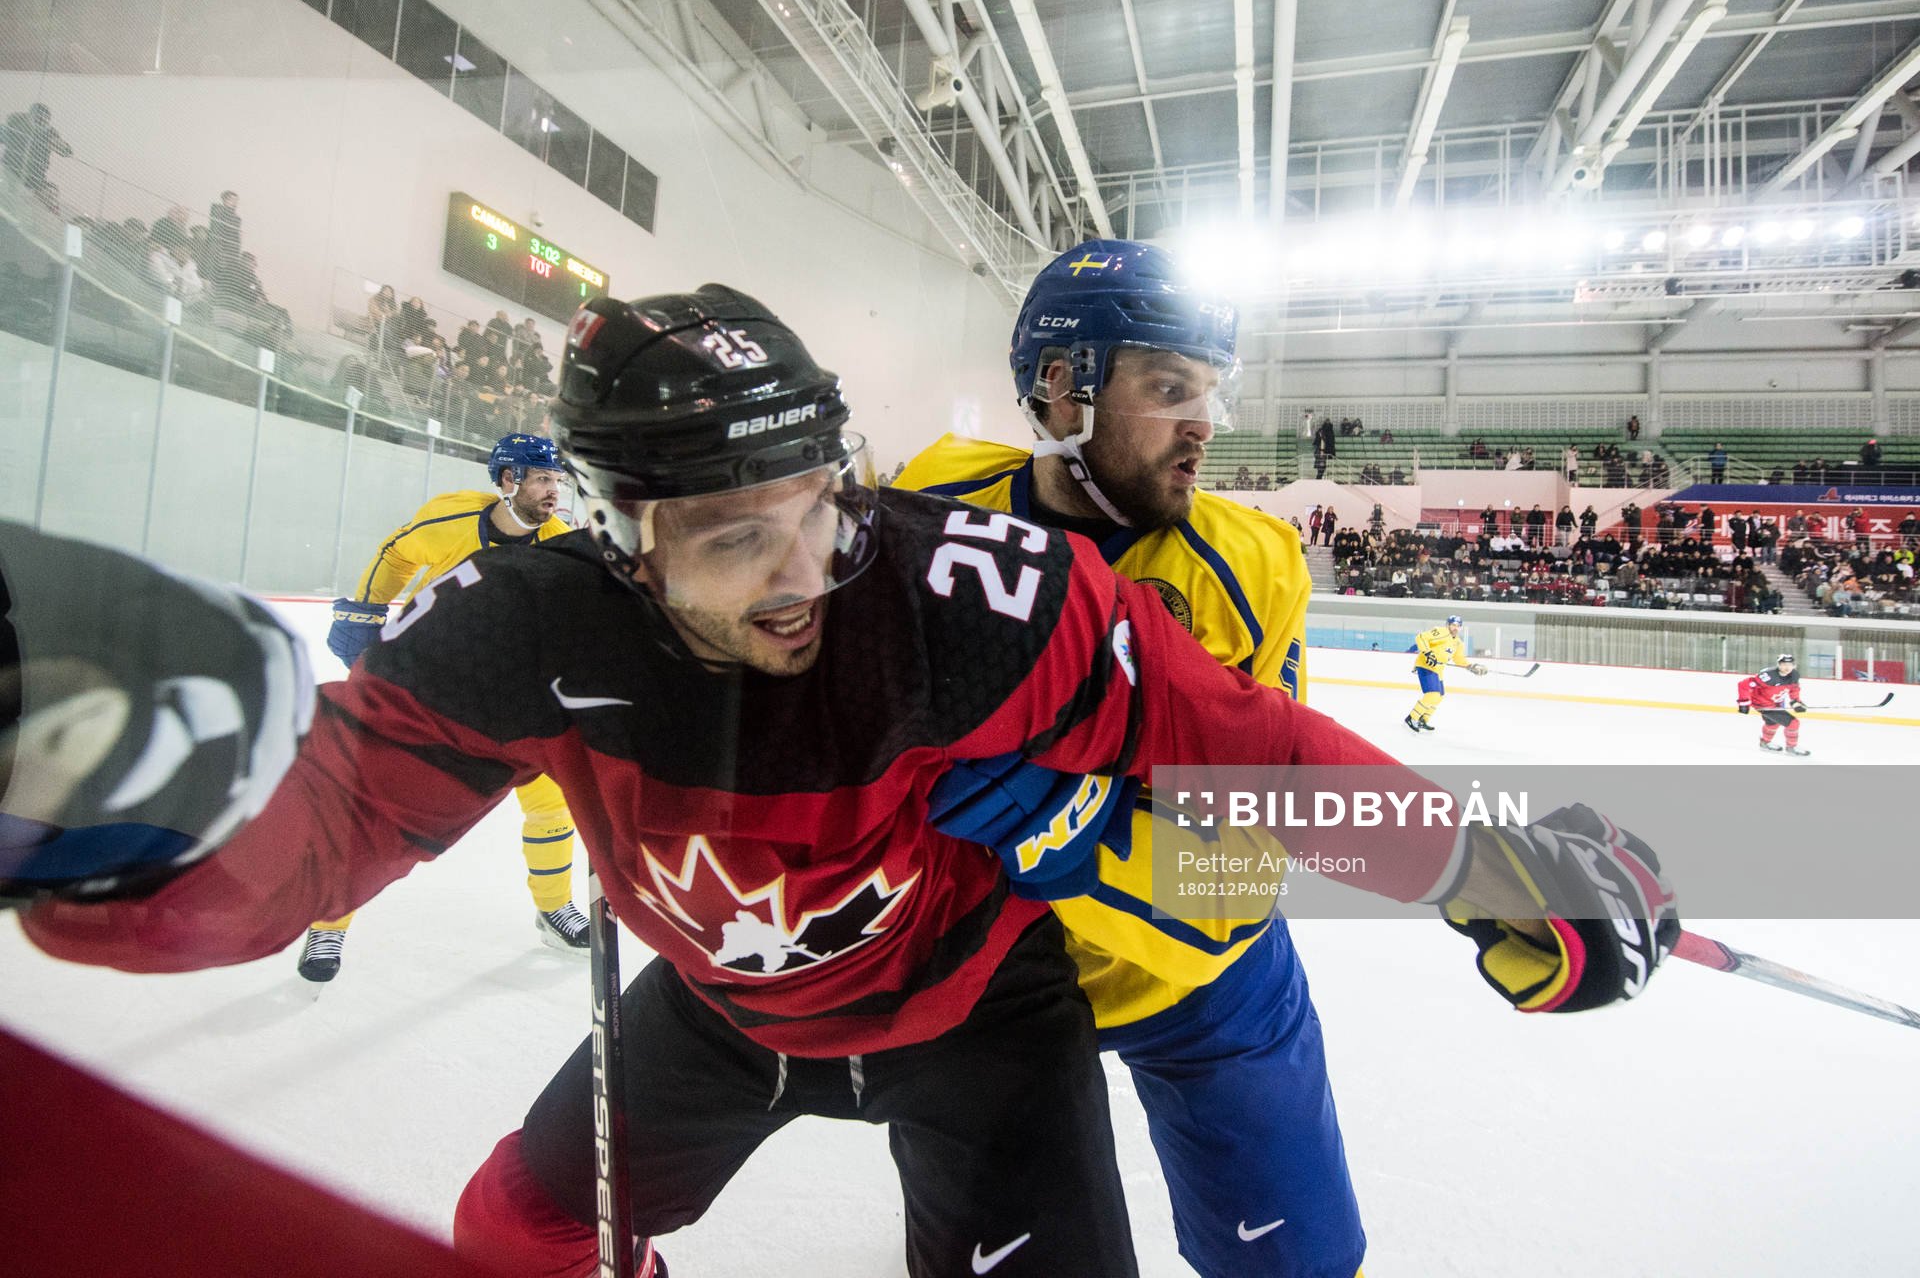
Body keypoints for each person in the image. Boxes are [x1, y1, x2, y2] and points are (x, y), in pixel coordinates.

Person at [11, 288, 1680, 1278]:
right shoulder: (523, 620)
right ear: (616, 534)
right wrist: (130, 844)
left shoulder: (970, 595)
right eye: (734, 537)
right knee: (516, 1240)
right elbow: (342, 822)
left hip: (984, 1020)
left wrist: (1479, 865)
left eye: (819, 501)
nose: (803, 569)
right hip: (723, 1015)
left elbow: (1234, 742)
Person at [895, 238, 1352, 1275]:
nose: (1205, 424)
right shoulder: (936, 501)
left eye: (1212, 392)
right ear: (1062, 388)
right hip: (989, 980)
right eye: (1169, 385)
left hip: (1207, 988)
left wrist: (1072, 828)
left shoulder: (1251, 567)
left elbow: (1241, 866)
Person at [301, 433, 589, 981]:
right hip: (428, 682)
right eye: (544, 478)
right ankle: (327, 926)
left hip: (508, 692)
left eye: (559, 480)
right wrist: (364, 610)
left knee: (552, 802)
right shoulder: (449, 521)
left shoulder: (559, 542)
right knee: (379, 808)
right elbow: (396, 552)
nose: (556, 491)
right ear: (508, 480)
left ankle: (554, 908)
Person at [1404, 614, 1486, 732]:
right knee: (1433, 694)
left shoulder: (1458, 643)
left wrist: (1469, 666)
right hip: (1426, 665)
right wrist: (1428, 653)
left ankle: (1423, 720)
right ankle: (1412, 718)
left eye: (1458, 626)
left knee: (1439, 696)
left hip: (1438, 669)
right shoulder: (1441, 632)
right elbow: (1421, 637)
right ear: (1447, 625)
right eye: (1453, 625)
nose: (1455, 628)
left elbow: (1458, 659)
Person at [1737, 653, 1809, 756]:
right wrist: (1744, 703)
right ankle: (1791, 747)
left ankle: (1765, 742)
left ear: (1794, 665)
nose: (1787, 667)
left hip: (1775, 703)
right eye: (1783, 664)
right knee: (1793, 723)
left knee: (1773, 723)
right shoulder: (1768, 676)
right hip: (1763, 705)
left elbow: (1794, 689)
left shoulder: (1794, 675)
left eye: (1790, 664)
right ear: (1778, 665)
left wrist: (1796, 702)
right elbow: (1744, 684)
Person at [1, 102, 71, 192]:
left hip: (34, 177)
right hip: (10, 170)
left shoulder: (49, 134)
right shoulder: (17, 124)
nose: (40, 120)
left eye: (44, 118)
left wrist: (62, 146)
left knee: (48, 192)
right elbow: (3, 133)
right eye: (38, 117)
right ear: (30, 116)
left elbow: (65, 151)